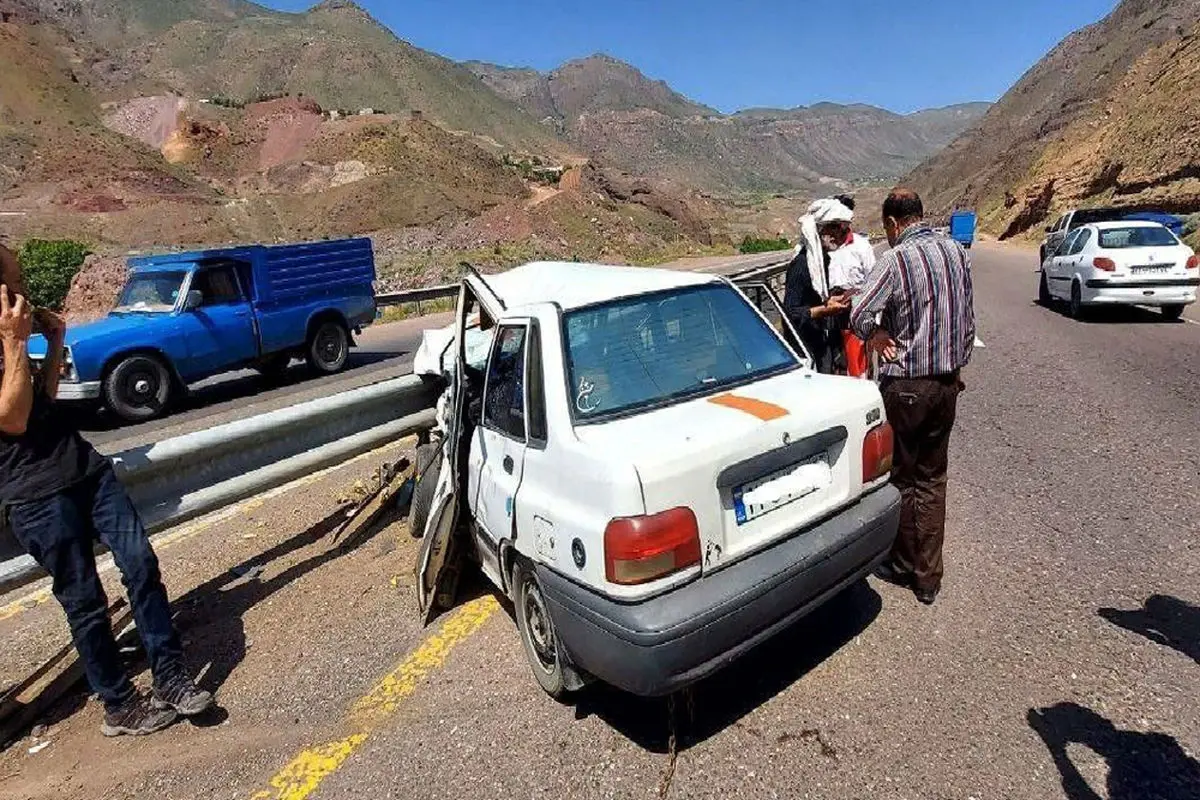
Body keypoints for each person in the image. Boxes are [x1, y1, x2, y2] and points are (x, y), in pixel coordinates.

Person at [0, 245, 213, 737]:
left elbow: (41, 401)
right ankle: (119, 705)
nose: (24, 288)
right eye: (15, 281)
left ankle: (170, 675)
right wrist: (14, 343)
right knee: (84, 601)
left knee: (140, 562)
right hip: (35, 496)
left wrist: (51, 343)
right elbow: (11, 419)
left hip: (84, 470)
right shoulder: (4, 339)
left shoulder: (11, 334)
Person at [849, 188, 975, 605]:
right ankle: (929, 576)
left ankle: (904, 564)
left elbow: (858, 312)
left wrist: (876, 333)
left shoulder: (896, 259)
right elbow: (967, 317)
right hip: (947, 382)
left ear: (892, 224)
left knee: (903, 478)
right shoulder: (957, 251)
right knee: (933, 477)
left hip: (907, 386)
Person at [782, 198, 857, 374]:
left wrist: (832, 301)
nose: (843, 236)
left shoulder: (821, 261)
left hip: (821, 342)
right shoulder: (801, 265)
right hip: (806, 348)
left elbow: (814, 298)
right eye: (841, 230)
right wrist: (823, 310)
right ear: (824, 230)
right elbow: (790, 313)